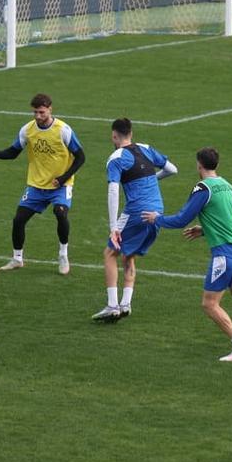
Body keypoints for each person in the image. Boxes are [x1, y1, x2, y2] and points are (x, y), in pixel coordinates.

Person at [142, 147, 232, 362]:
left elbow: (181, 219)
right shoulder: (227, 185)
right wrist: (204, 229)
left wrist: (157, 219)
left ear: (199, 164)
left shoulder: (202, 188)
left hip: (224, 253)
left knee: (209, 304)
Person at [0, 93, 85, 275]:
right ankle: (17, 259)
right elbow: (12, 153)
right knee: (18, 220)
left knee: (60, 213)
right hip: (36, 185)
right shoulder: (27, 130)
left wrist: (63, 178)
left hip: (61, 185)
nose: (38, 116)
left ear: (50, 109)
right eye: (35, 112)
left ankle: (63, 255)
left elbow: (81, 157)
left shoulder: (63, 130)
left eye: (41, 112)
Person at [92, 118, 178, 322]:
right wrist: (150, 179)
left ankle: (112, 306)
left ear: (114, 135)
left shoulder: (116, 157)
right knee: (128, 255)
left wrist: (113, 227)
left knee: (110, 252)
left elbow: (113, 191)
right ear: (131, 133)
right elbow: (172, 169)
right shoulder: (146, 148)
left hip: (137, 211)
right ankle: (126, 304)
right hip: (157, 211)